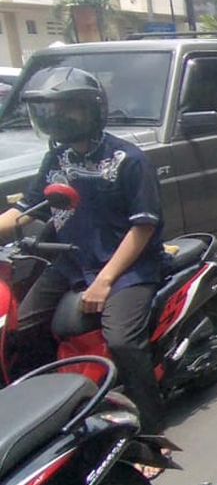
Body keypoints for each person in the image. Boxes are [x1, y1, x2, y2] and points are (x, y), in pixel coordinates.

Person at [0, 67, 166, 432]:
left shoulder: (129, 160)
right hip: (71, 261)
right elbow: (26, 211)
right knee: (19, 328)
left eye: (69, 108)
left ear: (92, 110)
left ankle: (151, 428)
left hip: (126, 268)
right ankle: (49, 408)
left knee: (123, 341)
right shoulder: (57, 159)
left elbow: (143, 227)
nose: (59, 117)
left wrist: (106, 281)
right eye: (52, 110)